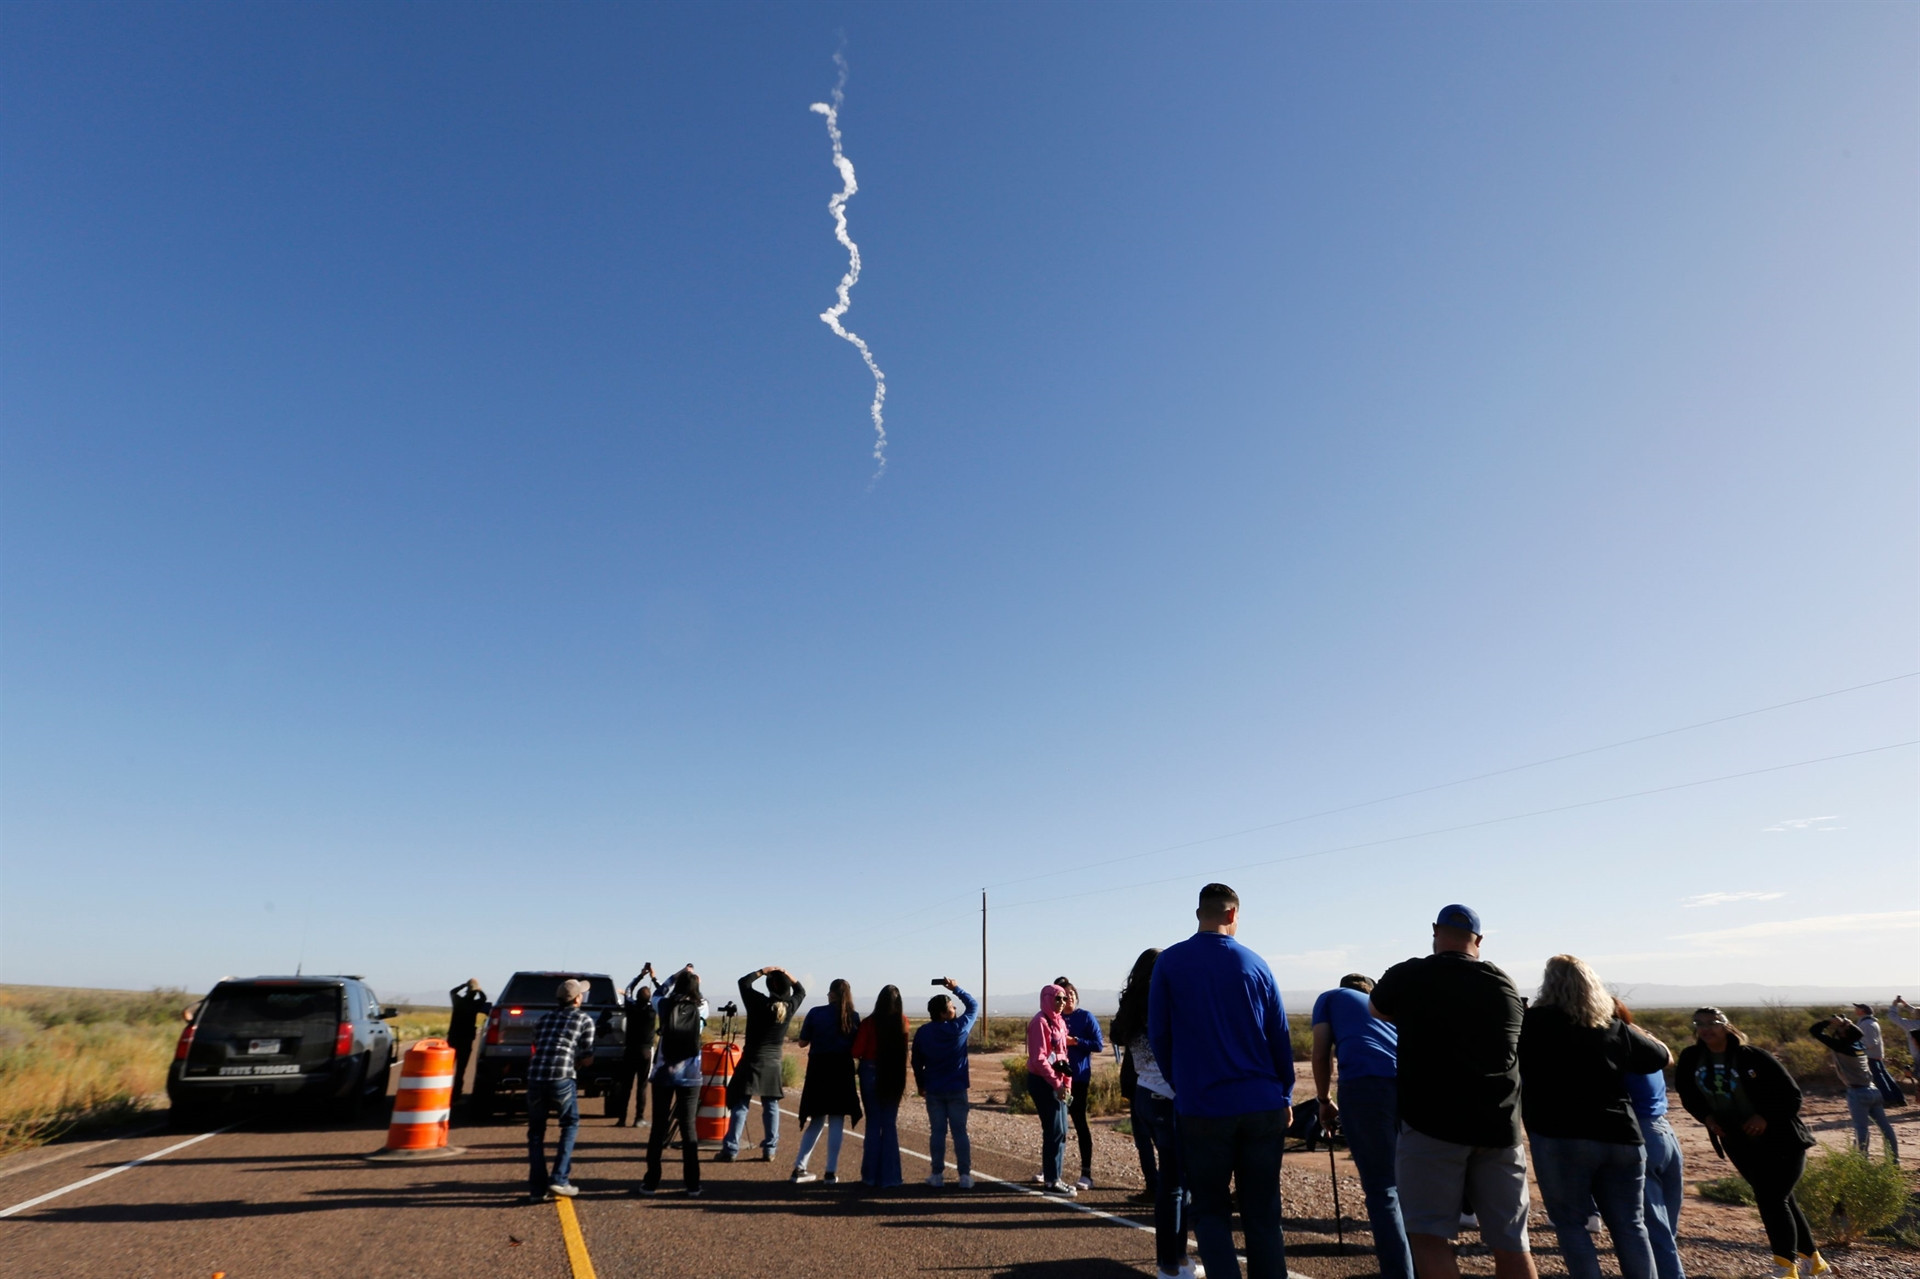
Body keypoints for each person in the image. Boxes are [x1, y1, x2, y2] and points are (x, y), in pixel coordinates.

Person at [1368, 905, 1535, 1279]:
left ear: (1435, 932)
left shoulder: (1411, 975)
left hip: (1432, 1124)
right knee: (1511, 1240)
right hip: (1500, 1128)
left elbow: (1376, 1009)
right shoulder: (1502, 982)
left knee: (1429, 1238)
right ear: (1478, 940)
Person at [1148, 882, 1295, 1279]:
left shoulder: (1170, 963)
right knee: (1263, 1214)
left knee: (1212, 1212)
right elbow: (1279, 1036)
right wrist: (1285, 1094)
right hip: (1262, 1102)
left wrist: (1182, 1084)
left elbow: (1158, 1034)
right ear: (1232, 915)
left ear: (1199, 914)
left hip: (1204, 1107)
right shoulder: (1256, 963)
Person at [1517, 956, 1669, 1279]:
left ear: (1549, 983)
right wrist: (1631, 1029)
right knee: (1631, 1225)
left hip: (1560, 1137)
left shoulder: (1532, 1024)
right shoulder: (1610, 1027)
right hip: (1621, 1136)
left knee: (1571, 1226)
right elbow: (1661, 1056)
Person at [1675, 1008, 1825, 1279]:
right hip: (1737, 1141)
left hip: (1783, 1141)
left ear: (1726, 1025)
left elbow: (1792, 1096)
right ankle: (1813, 1262)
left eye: (1713, 1023)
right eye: (1700, 1024)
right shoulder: (1691, 1058)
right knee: (1781, 1199)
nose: (1706, 1028)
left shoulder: (1752, 1057)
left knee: (1771, 1199)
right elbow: (1688, 1095)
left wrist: (1764, 1116)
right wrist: (1707, 1118)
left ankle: (1785, 1268)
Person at [1312, 973, 1412, 1279]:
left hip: (1364, 1087)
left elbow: (1320, 1052)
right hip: (1408, 1086)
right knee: (1410, 1186)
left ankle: (1399, 1274)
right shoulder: (1385, 1006)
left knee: (1383, 1190)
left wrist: (1323, 1100)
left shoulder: (1329, 998)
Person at [1114, 947, 1196, 1279]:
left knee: (1175, 1184)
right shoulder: (1161, 1001)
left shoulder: (1131, 1005)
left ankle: (1178, 1259)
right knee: (1175, 1187)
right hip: (1169, 1097)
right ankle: (1170, 1265)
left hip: (1146, 1095)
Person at [1616, 1000, 1685, 1279]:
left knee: (1654, 1226)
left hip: (1640, 1132)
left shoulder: (1616, 1047)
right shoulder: (1645, 1044)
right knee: (1667, 1221)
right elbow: (1668, 1057)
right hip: (1665, 1131)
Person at [719, 966, 805, 1161]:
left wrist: (762, 971)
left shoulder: (757, 1003)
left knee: (741, 1104)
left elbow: (743, 982)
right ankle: (770, 1149)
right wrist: (788, 975)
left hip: (752, 1060)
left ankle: (731, 1149)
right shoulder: (789, 1007)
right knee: (771, 1105)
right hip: (773, 1063)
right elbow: (801, 991)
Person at [639, 965, 707, 1197]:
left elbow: (658, 993)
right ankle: (692, 1184)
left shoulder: (665, 1005)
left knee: (659, 1127)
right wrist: (693, 980)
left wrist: (676, 974)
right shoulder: (702, 1007)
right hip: (691, 1075)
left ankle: (651, 1181)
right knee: (689, 1129)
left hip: (664, 1075)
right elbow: (699, 995)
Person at [525, 978, 594, 1201]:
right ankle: (559, 1179)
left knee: (536, 1133)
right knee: (569, 1124)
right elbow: (587, 1058)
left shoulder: (544, 1019)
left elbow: (536, 1045)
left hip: (535, 1076)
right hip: (562, 1078)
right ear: (577, 998)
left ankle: (536, 1189)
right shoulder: (584, 1020)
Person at [912, 976, 979, 1189]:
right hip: (957, 1088)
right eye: (951, 1006)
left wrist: (921, 1085)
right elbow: (973, 1005)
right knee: (960, 1132)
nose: (955, 1008)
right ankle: (965, 1176)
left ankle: (937, 1174)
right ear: (943, 1013)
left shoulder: (923, 1032)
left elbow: (916, 1062)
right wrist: (956, 988)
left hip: (934, 1089)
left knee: (937, 1132)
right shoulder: (959, 1028)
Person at [792, 978, 862, 1184]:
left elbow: (802, 1043)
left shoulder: (815, 1013)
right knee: (837, 1121)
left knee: (816, 1119)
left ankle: (800, 1167)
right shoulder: (854, 1017)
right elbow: (857, 1048)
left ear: (831, 994)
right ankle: (830, 1172)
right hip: (842, 1070)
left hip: (818, 1070)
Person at [1808, 1014, 1901, 1163]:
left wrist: (1829, 1021)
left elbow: (1814, 1031)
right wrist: (1845, 1023)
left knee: (1861, 1129)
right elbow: (1858, 1033)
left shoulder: (1841, 1046)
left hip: (1858, 1093)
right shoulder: (1859, 1045)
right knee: (1885, 1127)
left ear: (1843, 1035)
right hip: (1873, 1090)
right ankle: (1895, 1160)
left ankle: (1861, 1162)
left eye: (1841, 1030)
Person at [852, 984, 908, 1188]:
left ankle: (870, 1177)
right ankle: (891, 1178)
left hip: (870, 1072)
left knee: (874, 1124)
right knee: (890, 1124)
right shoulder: (903, 1022)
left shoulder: (869, 1023)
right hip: (894, 1073)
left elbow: (856, 1050)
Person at [1025, 982, 1077, 1194]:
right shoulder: (1040, 1022)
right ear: (1047, 998)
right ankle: (1052, 1179)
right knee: (1054, 1130)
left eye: (1064, 998)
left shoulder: (1060, 1022)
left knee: (1062, 1130)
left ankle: (1055, 1176)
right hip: (1043, 1082)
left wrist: (1067, 1084)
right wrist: (1056, 1084)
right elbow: (1039, 1058)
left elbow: (1063, 1055)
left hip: (1058, 1083)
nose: (1062, 1002)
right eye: (1058, 998)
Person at [1054, 975, 1106, 1190]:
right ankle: (1051, 1168)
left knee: (1080, 1123)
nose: (1071, 998)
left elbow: (1099, 1045)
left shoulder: (1086, 1018)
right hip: (1055, 1080)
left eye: (1073, 994)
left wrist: (1075, 1041)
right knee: (1056, 1125)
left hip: (1078, 1079)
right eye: (1066, 995)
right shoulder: (1052, 1018)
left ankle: (1086, 1173)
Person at [610, 967, 656, 1126]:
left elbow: (628, 989)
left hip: (630, 1050)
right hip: (645, 1052)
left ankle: (622, 1119)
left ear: (637, 997)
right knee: (642, 1086)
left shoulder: (631, 1006)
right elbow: (662, 993)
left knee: (626, 1086)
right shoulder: (652, 1010)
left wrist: (641, 975)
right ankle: (639, 1118)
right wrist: (654, 978)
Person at [1853, 1004, 1908, 1107]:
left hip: (1871, 1055)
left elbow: (1870, 1043)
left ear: (1863, 1011)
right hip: (1875, 1054)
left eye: (1857, 1008)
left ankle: (1889, 1099)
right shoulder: (1870, 1022)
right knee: (1885, 1077)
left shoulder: (1867, 1024)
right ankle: (1898, 1098)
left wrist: (1857, 1046)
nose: (1855, 1009)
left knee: (1879, 1078)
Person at [447, 979, 490, 1102]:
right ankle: (456, 1094)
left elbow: (452, 992)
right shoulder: (475, 1005)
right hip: (466, 1040)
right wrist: (479, 989)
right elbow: (484, 998)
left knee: (448, 1067)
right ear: (475, 993)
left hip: (453, 1038)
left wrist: (462, 985)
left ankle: (445, 1091)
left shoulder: (458, 1001)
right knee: (461, 1069)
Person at [1890, 997, 1920, 1086]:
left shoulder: (1911, 1025)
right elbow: (1916, 1011)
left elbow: (1893, 1017)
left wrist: (1894, 1005)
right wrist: (1905, 1005)